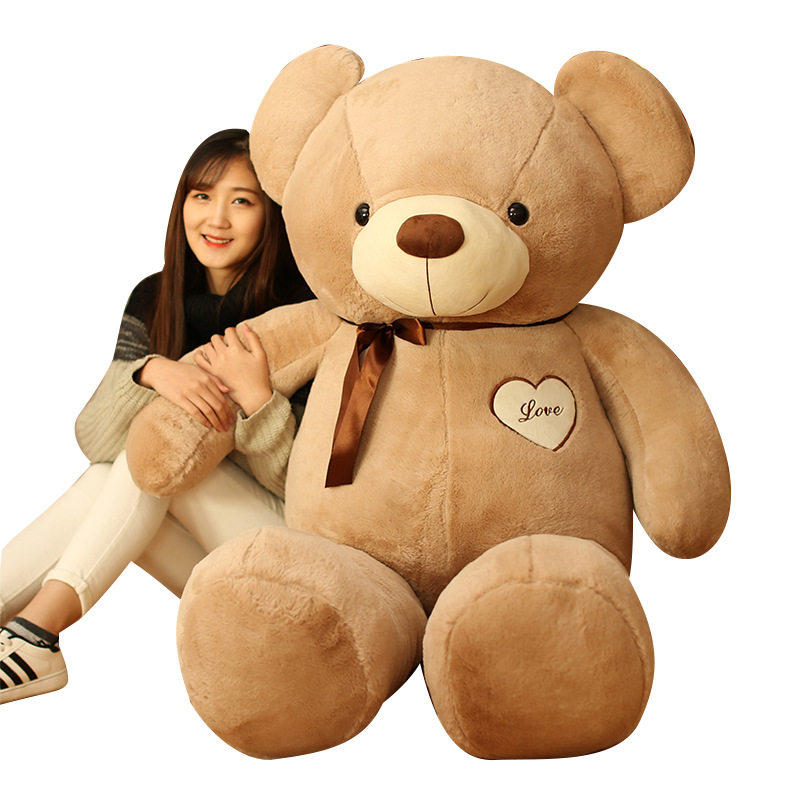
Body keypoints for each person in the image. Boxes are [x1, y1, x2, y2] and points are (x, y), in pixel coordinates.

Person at [0, 129, 311, 704]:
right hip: (206, 568)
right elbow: (94, 440)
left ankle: (38, 633)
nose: (216, 218)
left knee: (153, 457)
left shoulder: (299, 310)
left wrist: (259, 403)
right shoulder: (156, 297)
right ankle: (29, 635)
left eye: (242, 201)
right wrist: (149, 372)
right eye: (202, 195)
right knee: (122, 466)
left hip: (288, 559)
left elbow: (315, 490)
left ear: (271, 215)